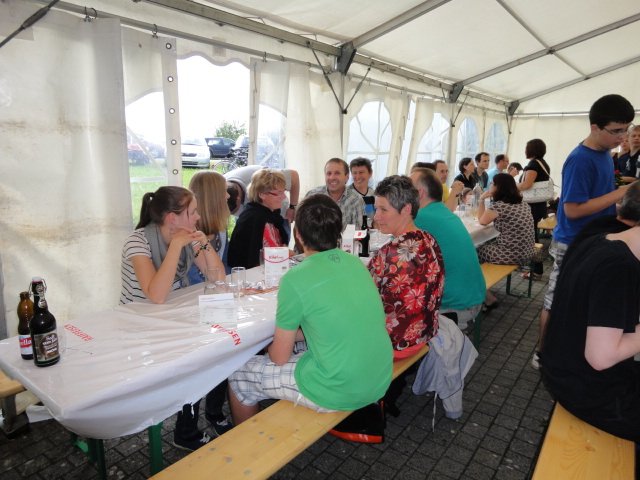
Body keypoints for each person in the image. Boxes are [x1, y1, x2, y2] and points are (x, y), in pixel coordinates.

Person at [228, 194, 393, 425]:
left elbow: (279, 358)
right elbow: (333, 324)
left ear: (298, 235)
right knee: (300, 346)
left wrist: (270, 343)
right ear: (338, 231)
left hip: (340, 388)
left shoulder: (295, 278)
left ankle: (248, 444)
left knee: (239, 375)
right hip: (379, 376)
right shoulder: (355, 263)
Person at [533, 94, 635, 370]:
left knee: (580, 300)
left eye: (625, 129)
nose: (622, 137)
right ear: (595, 128)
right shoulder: (580, 159)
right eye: (616, 130)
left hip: (591, 240)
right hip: (572, 243)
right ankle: (541, 354)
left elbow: (598, 198)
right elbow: (573, 209)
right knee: (555, 301)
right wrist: (622, 193)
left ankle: (569, 349)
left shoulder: (605, 155)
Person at [120, 186, 226, 451]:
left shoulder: (189, 237)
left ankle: (212, 414)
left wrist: (203, 243)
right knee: (197, 358)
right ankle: (186, 431)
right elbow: (156, 295)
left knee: (220, 345)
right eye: (193, 212)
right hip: (138, 327)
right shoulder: (137, 242)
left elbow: (218, 277)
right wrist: (177, 245)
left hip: (172, 319)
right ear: (172, 218)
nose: (198, 217)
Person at [540, 182, 640, 449]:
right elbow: (601, 357)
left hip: (563, 370)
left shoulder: (600, 237)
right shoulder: (618, 267)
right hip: (588, 391)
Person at [368, 175, 444, 357]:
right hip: (424, 334)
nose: (376, 216)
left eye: (383, 210)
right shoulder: (428, 239)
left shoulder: (389, 254)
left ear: (406, 209)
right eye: (376, 208)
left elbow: (363, 298)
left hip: (394, 345)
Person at [186, 171, 233, 437]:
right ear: (213, 196)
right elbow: (199, 277)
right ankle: (187, 426)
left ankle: (214, 411)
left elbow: (220, 272)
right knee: (197, 364)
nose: (228, 195)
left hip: (213, 299)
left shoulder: (220, 229)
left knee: (224, 353)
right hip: (190, 306)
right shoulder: (188, 233)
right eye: (224, 190)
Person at [410, 168, 485, 331]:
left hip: (455, 305)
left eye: (408, 188)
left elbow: (397, 255)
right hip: (473, 295)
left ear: (420, 193)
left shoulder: (421, 217)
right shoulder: (443, 212)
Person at [477, 173, 534, 308]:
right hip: (527, 251)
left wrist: (481, 200)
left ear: (499, 187)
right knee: (485, 244)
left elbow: (482, 221)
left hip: (511, 254)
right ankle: (482, 285)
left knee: (472, 252)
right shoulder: (522, 203)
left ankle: (484, 294)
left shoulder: (499, 206)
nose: (490, 185)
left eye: (492, 183)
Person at [227, 169, 290, 269]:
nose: (284, 197)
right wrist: (287, 254)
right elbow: (257, 258)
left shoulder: (271, 213)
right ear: (262, 194)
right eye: (279, 193)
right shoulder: (254, 218)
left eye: (284, 191)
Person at [224, 165, 300, 236]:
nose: (284, 196)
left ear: (238, 198)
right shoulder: (219, 191)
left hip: (281, 215)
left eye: (282, 192)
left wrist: (292, 207)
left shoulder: (263, 178)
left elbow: (294, 177)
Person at [518, 139, 551, 280]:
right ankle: (533, 268)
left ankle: (537, 270)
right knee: (532, 237)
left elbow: (527, 185)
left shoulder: (533, 164)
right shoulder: (543, 163)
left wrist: (511, 186)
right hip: (539, 204)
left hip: (532, 206)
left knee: (531, 238)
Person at [305, 158, 365, 229]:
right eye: (329, 173)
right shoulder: (312, 196)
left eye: (337, 173)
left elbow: (357, 231)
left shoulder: (356, 200)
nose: (332, 177)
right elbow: (302, 226)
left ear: (347, 177)